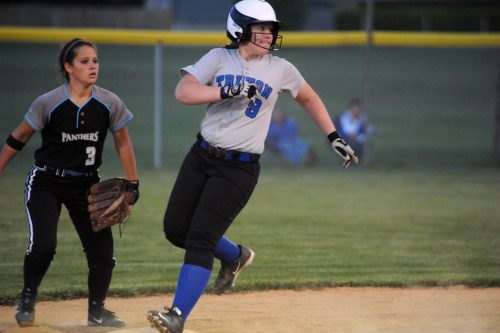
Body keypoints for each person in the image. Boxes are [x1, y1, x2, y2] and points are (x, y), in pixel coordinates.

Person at [146, 1, 357, 333]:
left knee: (200, 237)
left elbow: (309, 98)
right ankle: (234, 256)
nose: (268, 34)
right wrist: (223, 90)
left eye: (270, 28)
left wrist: (333, 136)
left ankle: (176, 315)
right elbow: (183, 92)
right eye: (260, 27)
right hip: (201, 155)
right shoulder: (217, 58)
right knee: (176, 230)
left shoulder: (280, 68)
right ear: (239, 28)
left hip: (239, 169)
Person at [0, 38, 139, 328]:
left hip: (87, 185)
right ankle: (27, 296)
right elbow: (19, 137)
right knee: (43, 247)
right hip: (46, 181)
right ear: (68, 67)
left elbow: (123, 143)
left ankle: (97, 311)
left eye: (95, 61)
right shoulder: (48, 102)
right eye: (84, 61)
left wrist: (133, 183)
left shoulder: (108, 102)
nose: (92, 66)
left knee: (103, 253)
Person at [335, 98, 373, 163]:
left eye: (357, 109)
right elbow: (341, 131)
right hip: (345, 140)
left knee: (358, 145)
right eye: (353, 109)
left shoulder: (363, 120)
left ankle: (355, 161)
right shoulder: (344, 118)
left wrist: (357, 136)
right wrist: (349, 136)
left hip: (358, 142)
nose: (355, 111)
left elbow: (369, 131)